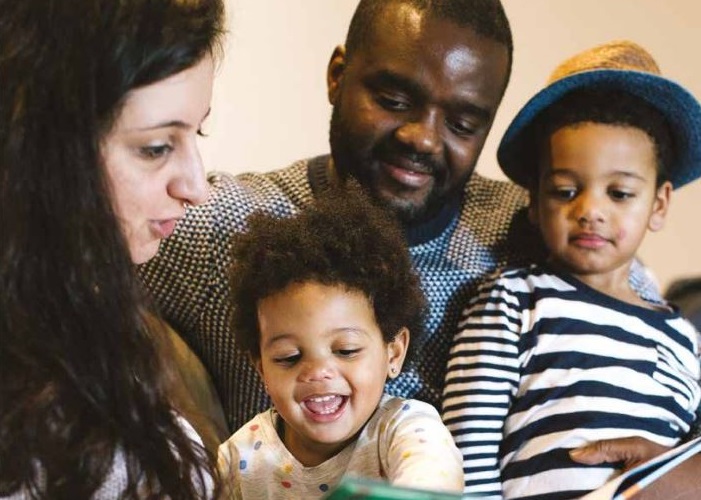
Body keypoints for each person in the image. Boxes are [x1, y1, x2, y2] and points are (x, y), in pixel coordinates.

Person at [137, 0, 681, 479]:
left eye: (463, 124)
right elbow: (66, 271)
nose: (422, 137)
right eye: (394, 99)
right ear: (337, 75)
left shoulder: (537, 232)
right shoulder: (225, 227)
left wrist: (679, 465)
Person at [443, 40, 701, 499]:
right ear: (534, 203)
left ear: (658, 204)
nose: (590, 211)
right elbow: (467, 446)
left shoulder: (683, 337)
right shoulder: (511, 299)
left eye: (619, 194)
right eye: (565, 190)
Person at [0, 0, 225, 497]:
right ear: (41, 148)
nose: (196, 185)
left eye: (198, 130)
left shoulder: (95, 314)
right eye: (156, 148)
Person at [217, 192, 464, 498]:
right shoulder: (240, 457)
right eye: (289, 357)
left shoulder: (406, 428)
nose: (318, 372)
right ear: (262, 369)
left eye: (345, 350)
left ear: (394, 351)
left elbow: (433, 482)